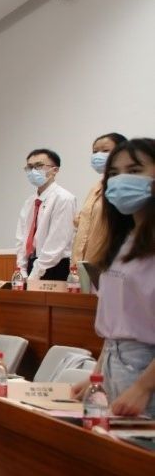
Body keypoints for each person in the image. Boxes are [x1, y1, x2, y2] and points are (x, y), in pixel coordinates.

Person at [91, 138, 155, 417]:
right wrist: (96, 377)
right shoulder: (123, 239)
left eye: (135, 170)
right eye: (114, 174)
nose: (121, 180)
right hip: (115, 360)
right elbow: (114, 325)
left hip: (147, 369)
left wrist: (143, 386)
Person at [14, 148, 77, 282]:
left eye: (39, 166)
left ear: (55, 170)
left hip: (55, 266)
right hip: (32, 264)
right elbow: (21, 238)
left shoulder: (64, 199)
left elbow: (57, 242)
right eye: (30, 167)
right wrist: (22, 270)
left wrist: (34, 276)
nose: (33, 171)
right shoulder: (30, 202)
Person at [72, 132, 127, 283]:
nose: (98, 156)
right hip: (83, 265)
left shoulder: (125, 188)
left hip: (109, 264)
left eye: (105, 150)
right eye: (95, 151)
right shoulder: (95, 187)